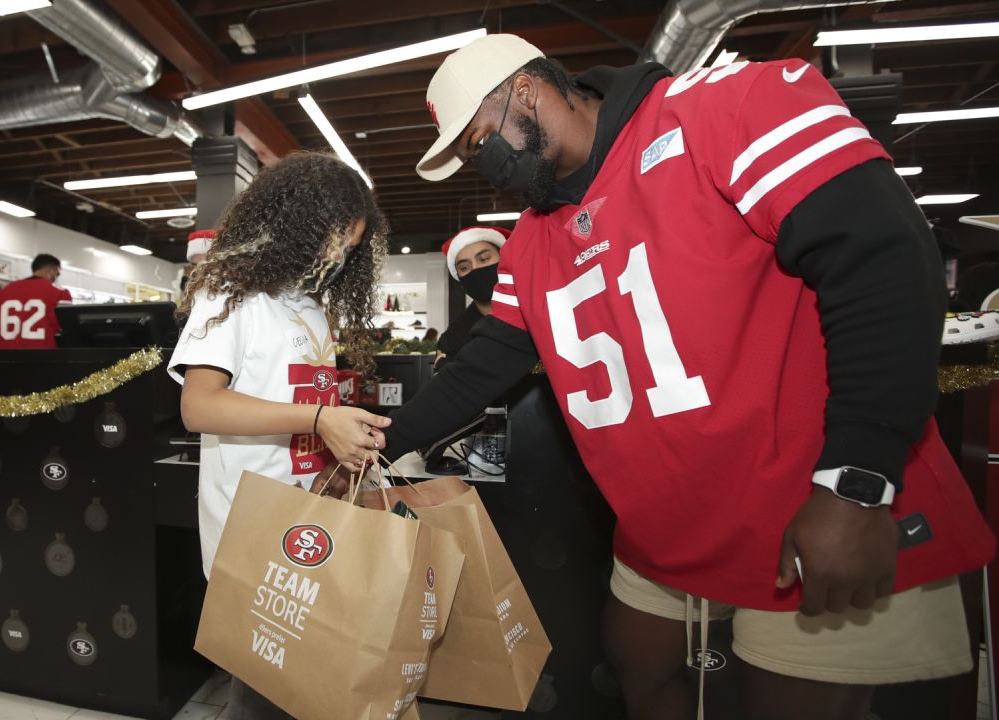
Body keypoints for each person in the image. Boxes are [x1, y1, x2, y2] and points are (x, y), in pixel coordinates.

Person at [374, 34, 994, 719]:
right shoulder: (531, 240)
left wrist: (857, 482)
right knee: (637, 666)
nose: (483, 170)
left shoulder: (723, 109)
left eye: (480, 142)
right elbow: (483, 367)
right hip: (667, 530)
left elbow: (881, 261)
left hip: (798, 502)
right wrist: (375, 441)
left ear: (525, 90)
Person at [166, 152, 392, 719]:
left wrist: (339, 453)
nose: (341, 254)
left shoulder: (310, 306)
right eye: (337, 236)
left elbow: (296, 401)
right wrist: (320, 420)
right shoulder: (232, 294)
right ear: (297, 220)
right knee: (262, 690)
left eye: (352, 243)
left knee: (301, 684)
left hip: (305, 518)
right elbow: (199, 405)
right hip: (250, 526)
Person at [435, 225, 509, 365]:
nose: (475, 269)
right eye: (464, 267)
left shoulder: (538, 315)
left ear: (504, 261)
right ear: (460, 280)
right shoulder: (453, 338)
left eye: (484, 259)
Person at [0, 253, 72, 349]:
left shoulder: (1, 292)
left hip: (7, 358)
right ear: (51, 269)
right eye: (57, 274)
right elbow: (67, 328)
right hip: (43, 358)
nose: (56, 278)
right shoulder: (61, 293)